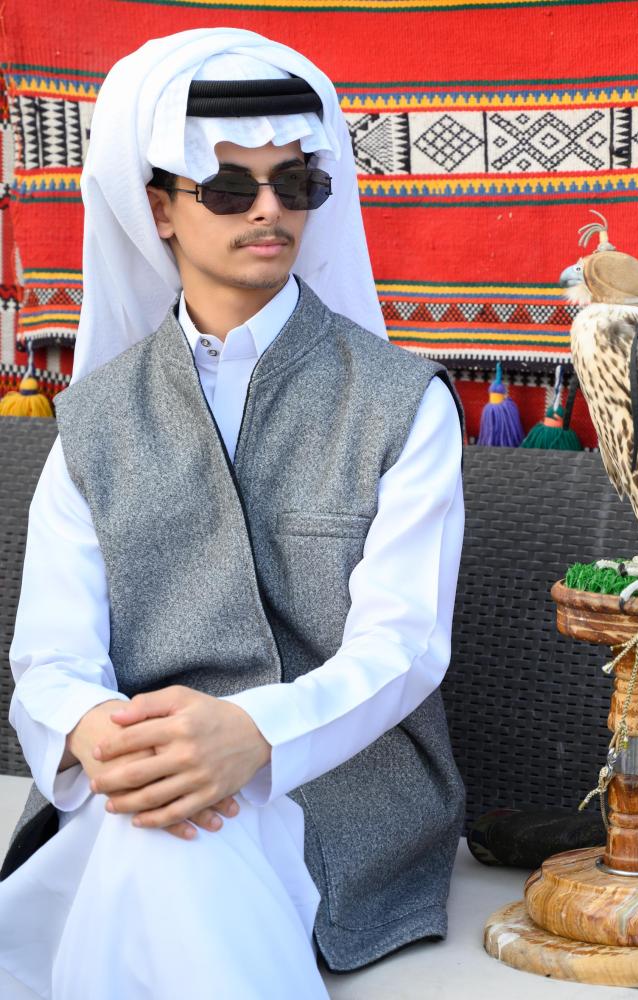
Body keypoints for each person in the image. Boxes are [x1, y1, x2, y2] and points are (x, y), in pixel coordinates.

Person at [0, 27, 466, 1000]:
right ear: (158, 208)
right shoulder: (97, 419)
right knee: (159, 830)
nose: (268, 210)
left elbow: (404, 648)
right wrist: (100, 734)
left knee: (157, 845)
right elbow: (51, 656)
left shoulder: (402, 402)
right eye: (226, 186)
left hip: (344, 785)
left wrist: (254, 735)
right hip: (144, 780)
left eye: (294, 183)